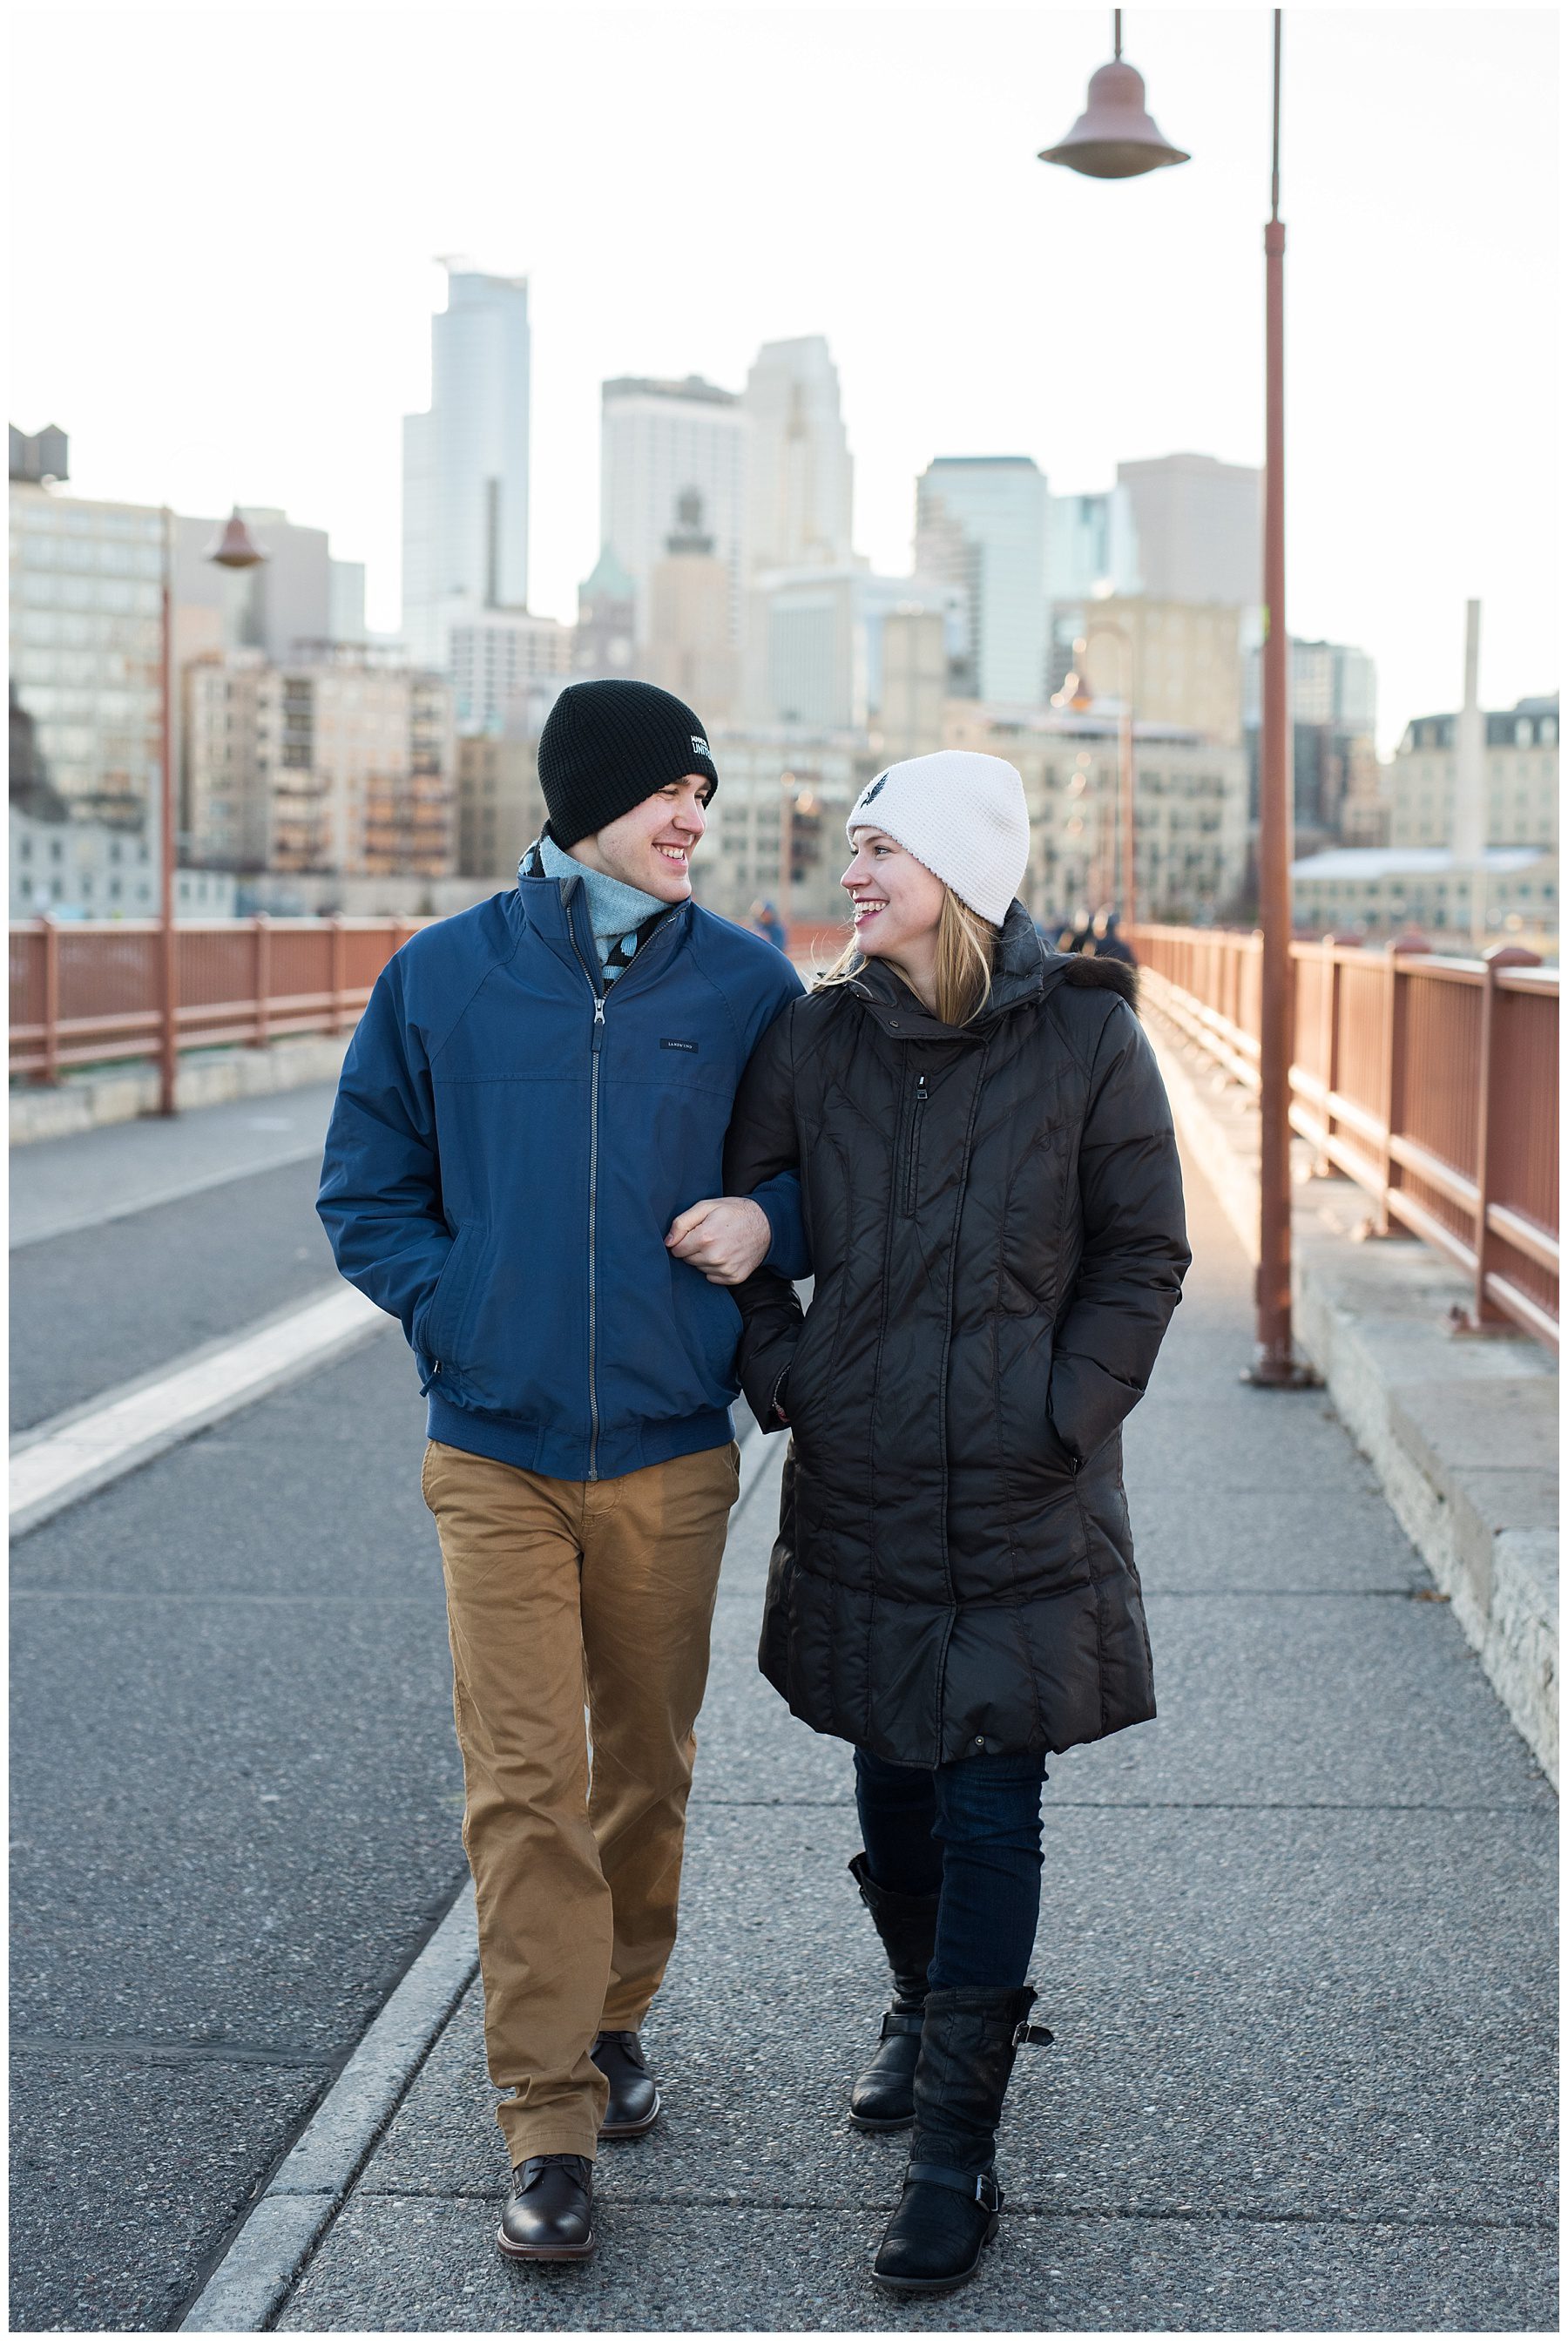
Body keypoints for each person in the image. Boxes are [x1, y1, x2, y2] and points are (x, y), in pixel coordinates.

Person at [317, 679, 807, 2266]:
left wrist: (771, 1224)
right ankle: (546, 2116)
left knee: (645, 1770)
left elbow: (825, 1168)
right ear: (589, 800)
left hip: (670, 1450)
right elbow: (365, 1187)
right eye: (671, 793)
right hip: (495, 1451)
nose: (694, 821)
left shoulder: (746, 985)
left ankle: (613, 2012)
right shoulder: (441, 976)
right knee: (526, 1785)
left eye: (705, 798)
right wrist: (457, 1305)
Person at [718, 748, 1190, 2297]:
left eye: (883, 851)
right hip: (861, 1475)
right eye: (853, 849)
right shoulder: (817, 1035)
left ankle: (954, 2154)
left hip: (1019, 1489)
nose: (853, 875)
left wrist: (1065, 1413)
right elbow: (749, 1219)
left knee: (991, 1796)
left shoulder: (1090, 1039)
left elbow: (1144, 1253)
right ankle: (921, 2008)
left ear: (962, 875)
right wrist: (793, 1379)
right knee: (892, 1771)